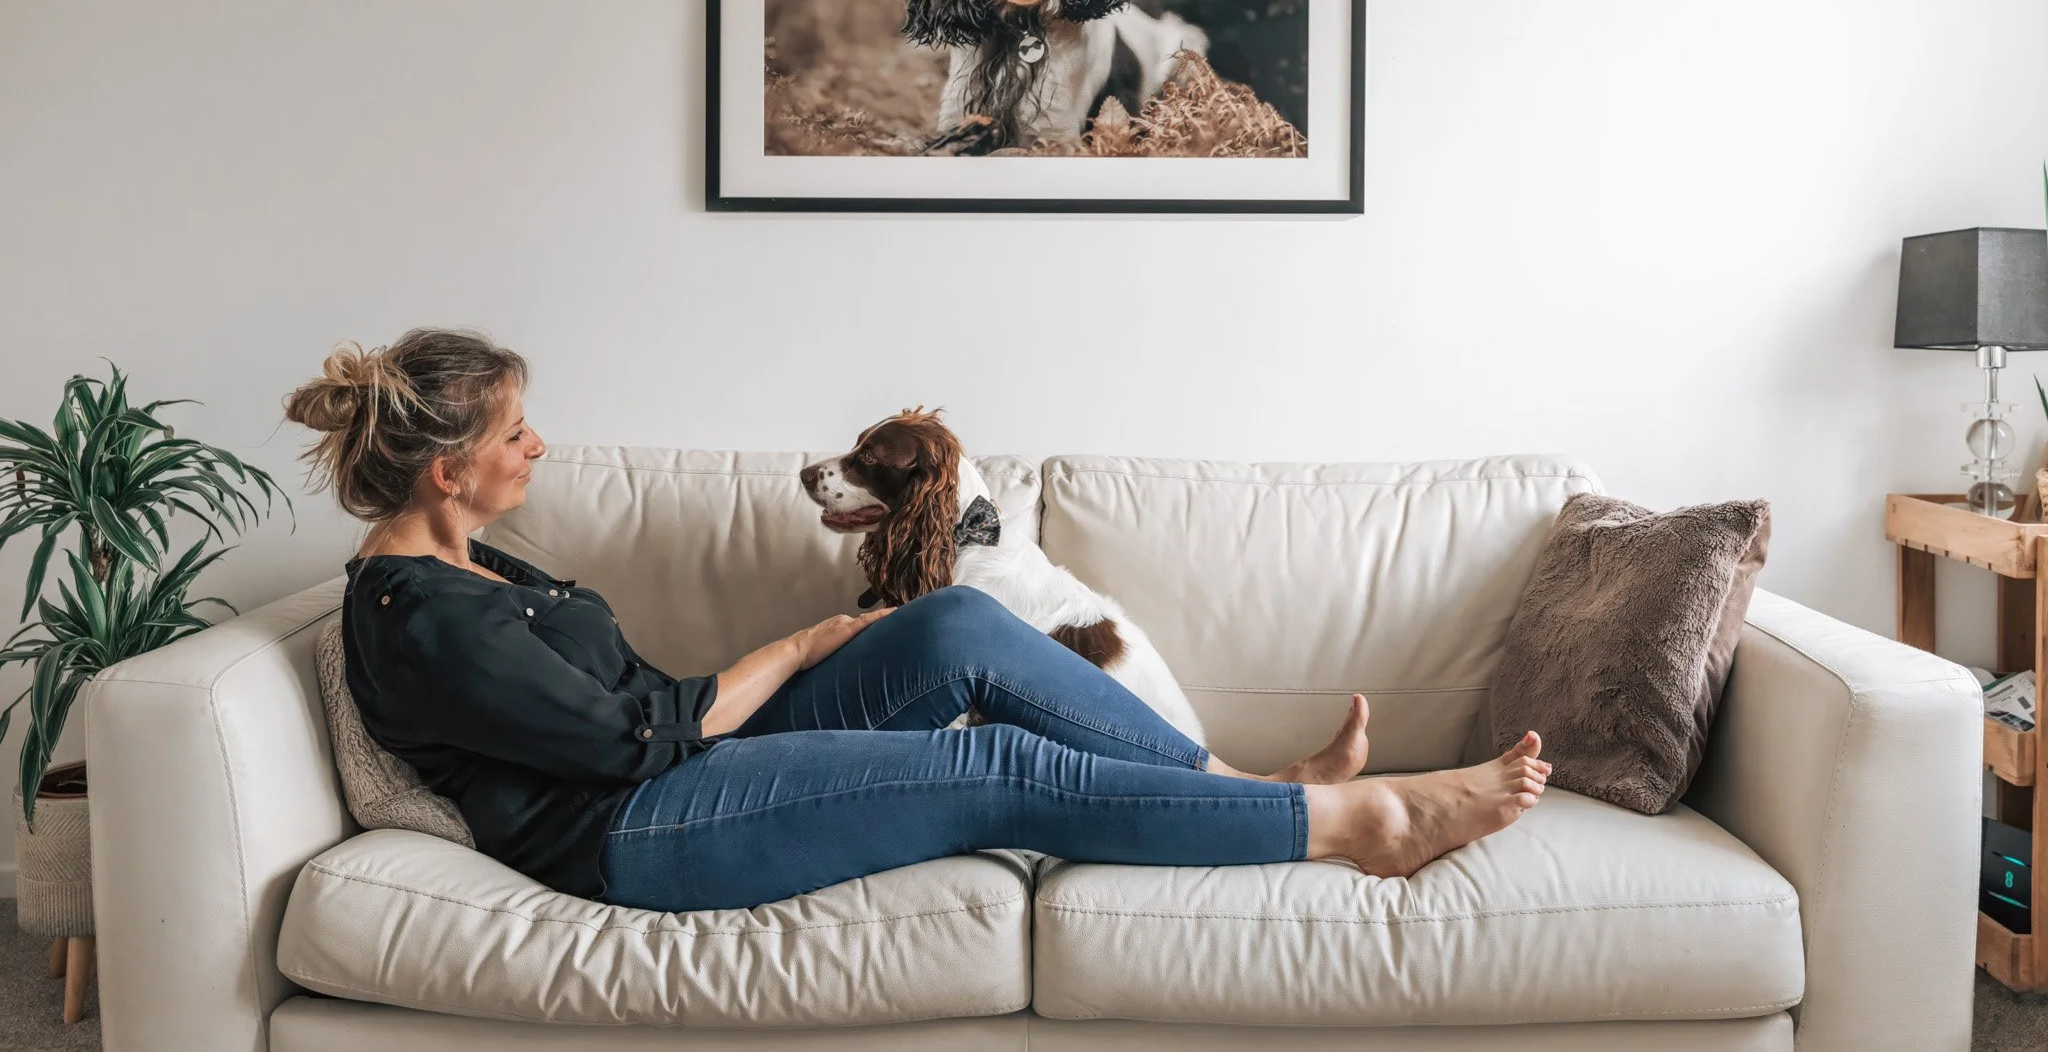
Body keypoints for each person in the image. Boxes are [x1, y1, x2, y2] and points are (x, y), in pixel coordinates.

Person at [283, 327, 1550, 913]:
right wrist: (797, 645)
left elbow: (644, 713)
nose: (537, 447)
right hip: (638, 833)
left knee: (952, 629)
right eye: (515, 434)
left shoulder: (480, 563)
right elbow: (629, 741)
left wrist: (819, 658)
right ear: (445, 470)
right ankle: (1359, 824)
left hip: (692, 762)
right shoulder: (418, 617)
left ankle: (1228, 782)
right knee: (983, 764)